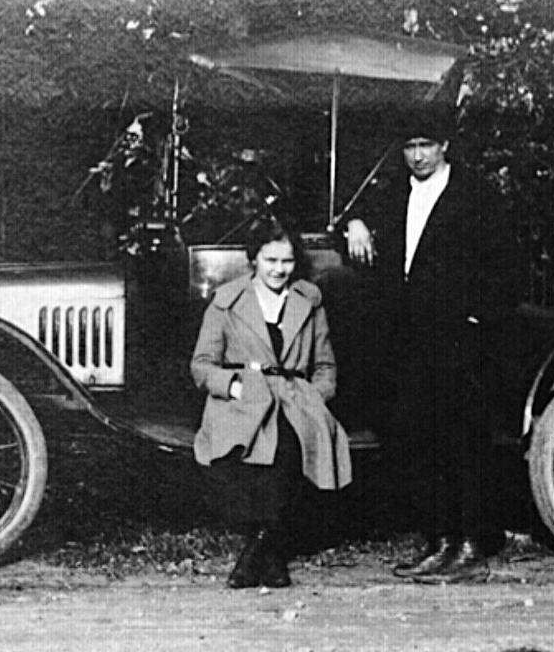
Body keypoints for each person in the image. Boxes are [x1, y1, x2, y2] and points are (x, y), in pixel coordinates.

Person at [342, 106, 517, 584]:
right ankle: (440, 542)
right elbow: (358, 223)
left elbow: (506, 264)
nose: (417, 156)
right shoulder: (394, 192)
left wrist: (478, 318)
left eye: (426, 146)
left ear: (445, 147)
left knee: (462, 441)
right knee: (420, 442)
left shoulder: (475, 194)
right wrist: (355, 223)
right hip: (407, 340)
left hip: (460, 339)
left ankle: (471, 545)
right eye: (410, 147)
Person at [191, 219, 353, 589]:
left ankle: (258, 552)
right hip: (242, 400)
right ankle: (273, 555)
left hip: (295, 399)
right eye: (271, 261)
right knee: (256, 448)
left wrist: (315, 396)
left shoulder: (308, 301)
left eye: (287, 261)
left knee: (289, 445)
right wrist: (233, 388)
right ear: (254, 260)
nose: (279, 270)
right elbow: (201, 365)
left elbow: (325, 366)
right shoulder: (227, 301)